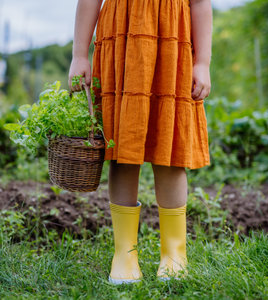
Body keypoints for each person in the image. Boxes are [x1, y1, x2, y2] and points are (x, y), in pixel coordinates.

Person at [68, 0, 212, 284]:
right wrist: (79, 55)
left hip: (174, 38)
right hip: (121, 35)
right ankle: (124, 253)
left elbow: (200, 3)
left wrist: (203, 62)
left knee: (170, 148)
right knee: (123, 148)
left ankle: (174, 254)